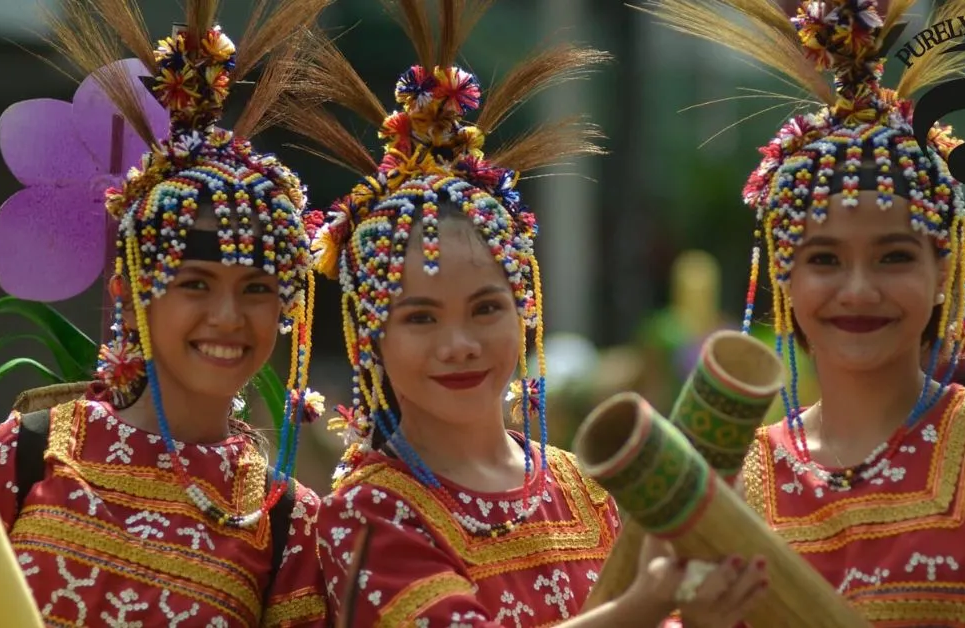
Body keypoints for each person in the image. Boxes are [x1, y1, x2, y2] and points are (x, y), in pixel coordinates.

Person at [284, 1, 767, 625]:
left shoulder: (583, 486)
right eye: (421, 318)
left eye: (486, 308)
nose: (458, 344)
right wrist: (645, 606)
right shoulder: (369, 514)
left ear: (526, 309)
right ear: (369, 336)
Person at [637, 0, 965, 624]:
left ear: (944, 271)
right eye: (825, 261)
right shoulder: (739, 479)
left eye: (893, 257)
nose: (858, 290)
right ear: (784, 274)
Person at [0, 1, 330, 626]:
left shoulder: (285, 520)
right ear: (131, 295)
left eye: (256, 289)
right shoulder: (30, 451)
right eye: (194, 284)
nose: (228, 316)